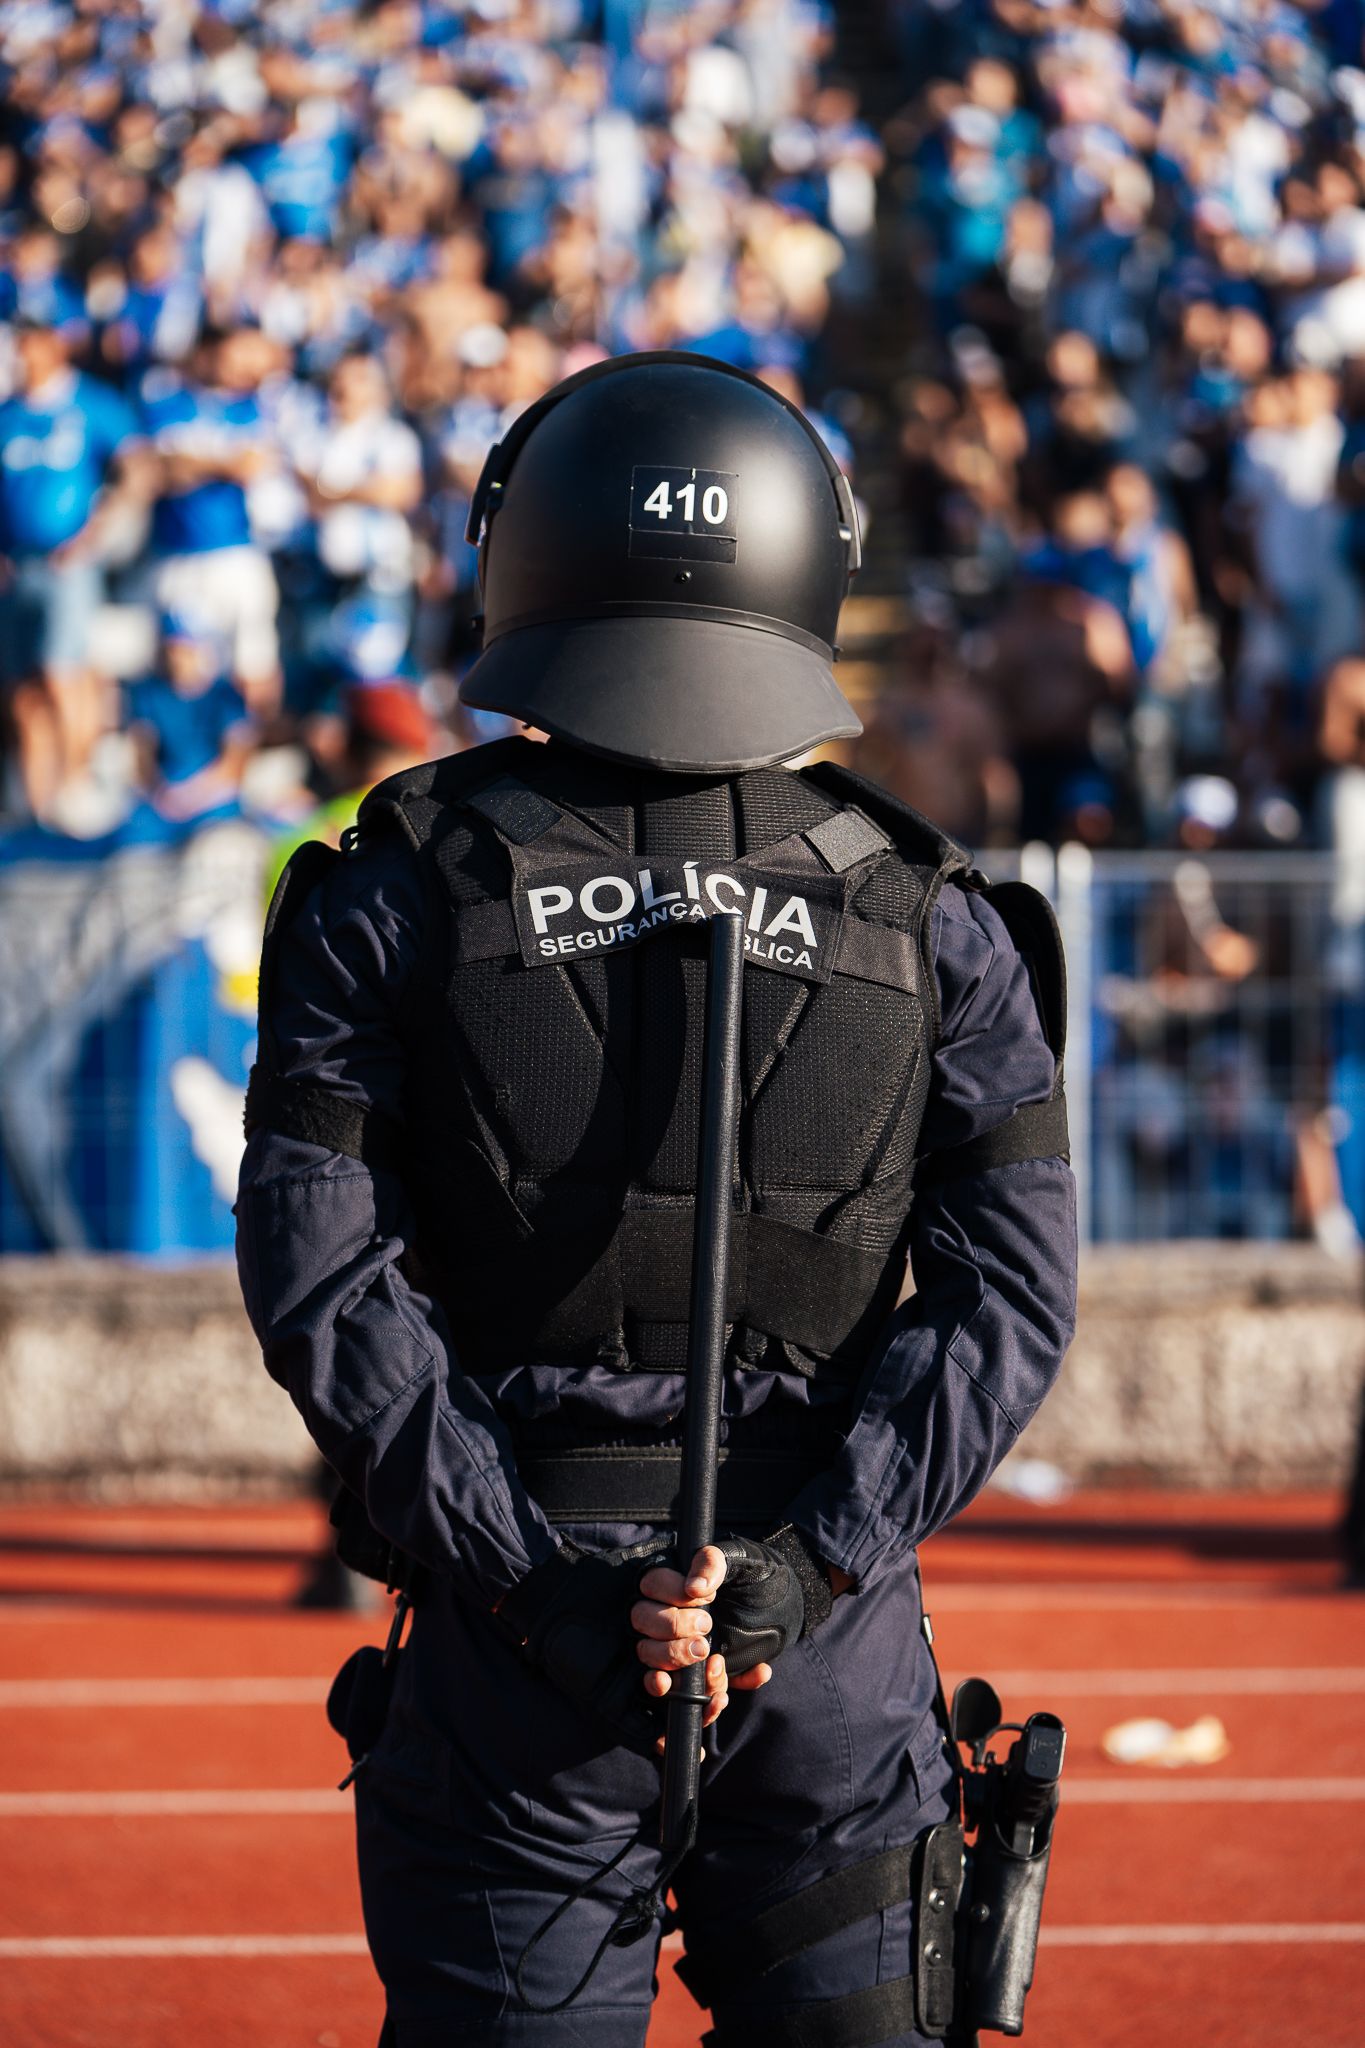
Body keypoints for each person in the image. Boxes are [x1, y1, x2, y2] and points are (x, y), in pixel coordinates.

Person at [236, 353, 1077, 2048]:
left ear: (524, 553)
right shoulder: (928, 908)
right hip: (818, 1662)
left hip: (514, 1651)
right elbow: (1015, 1302)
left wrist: (532, 1581)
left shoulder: (387, 890)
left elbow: (320, 1281)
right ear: (797, 567)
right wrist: (810, 1569)